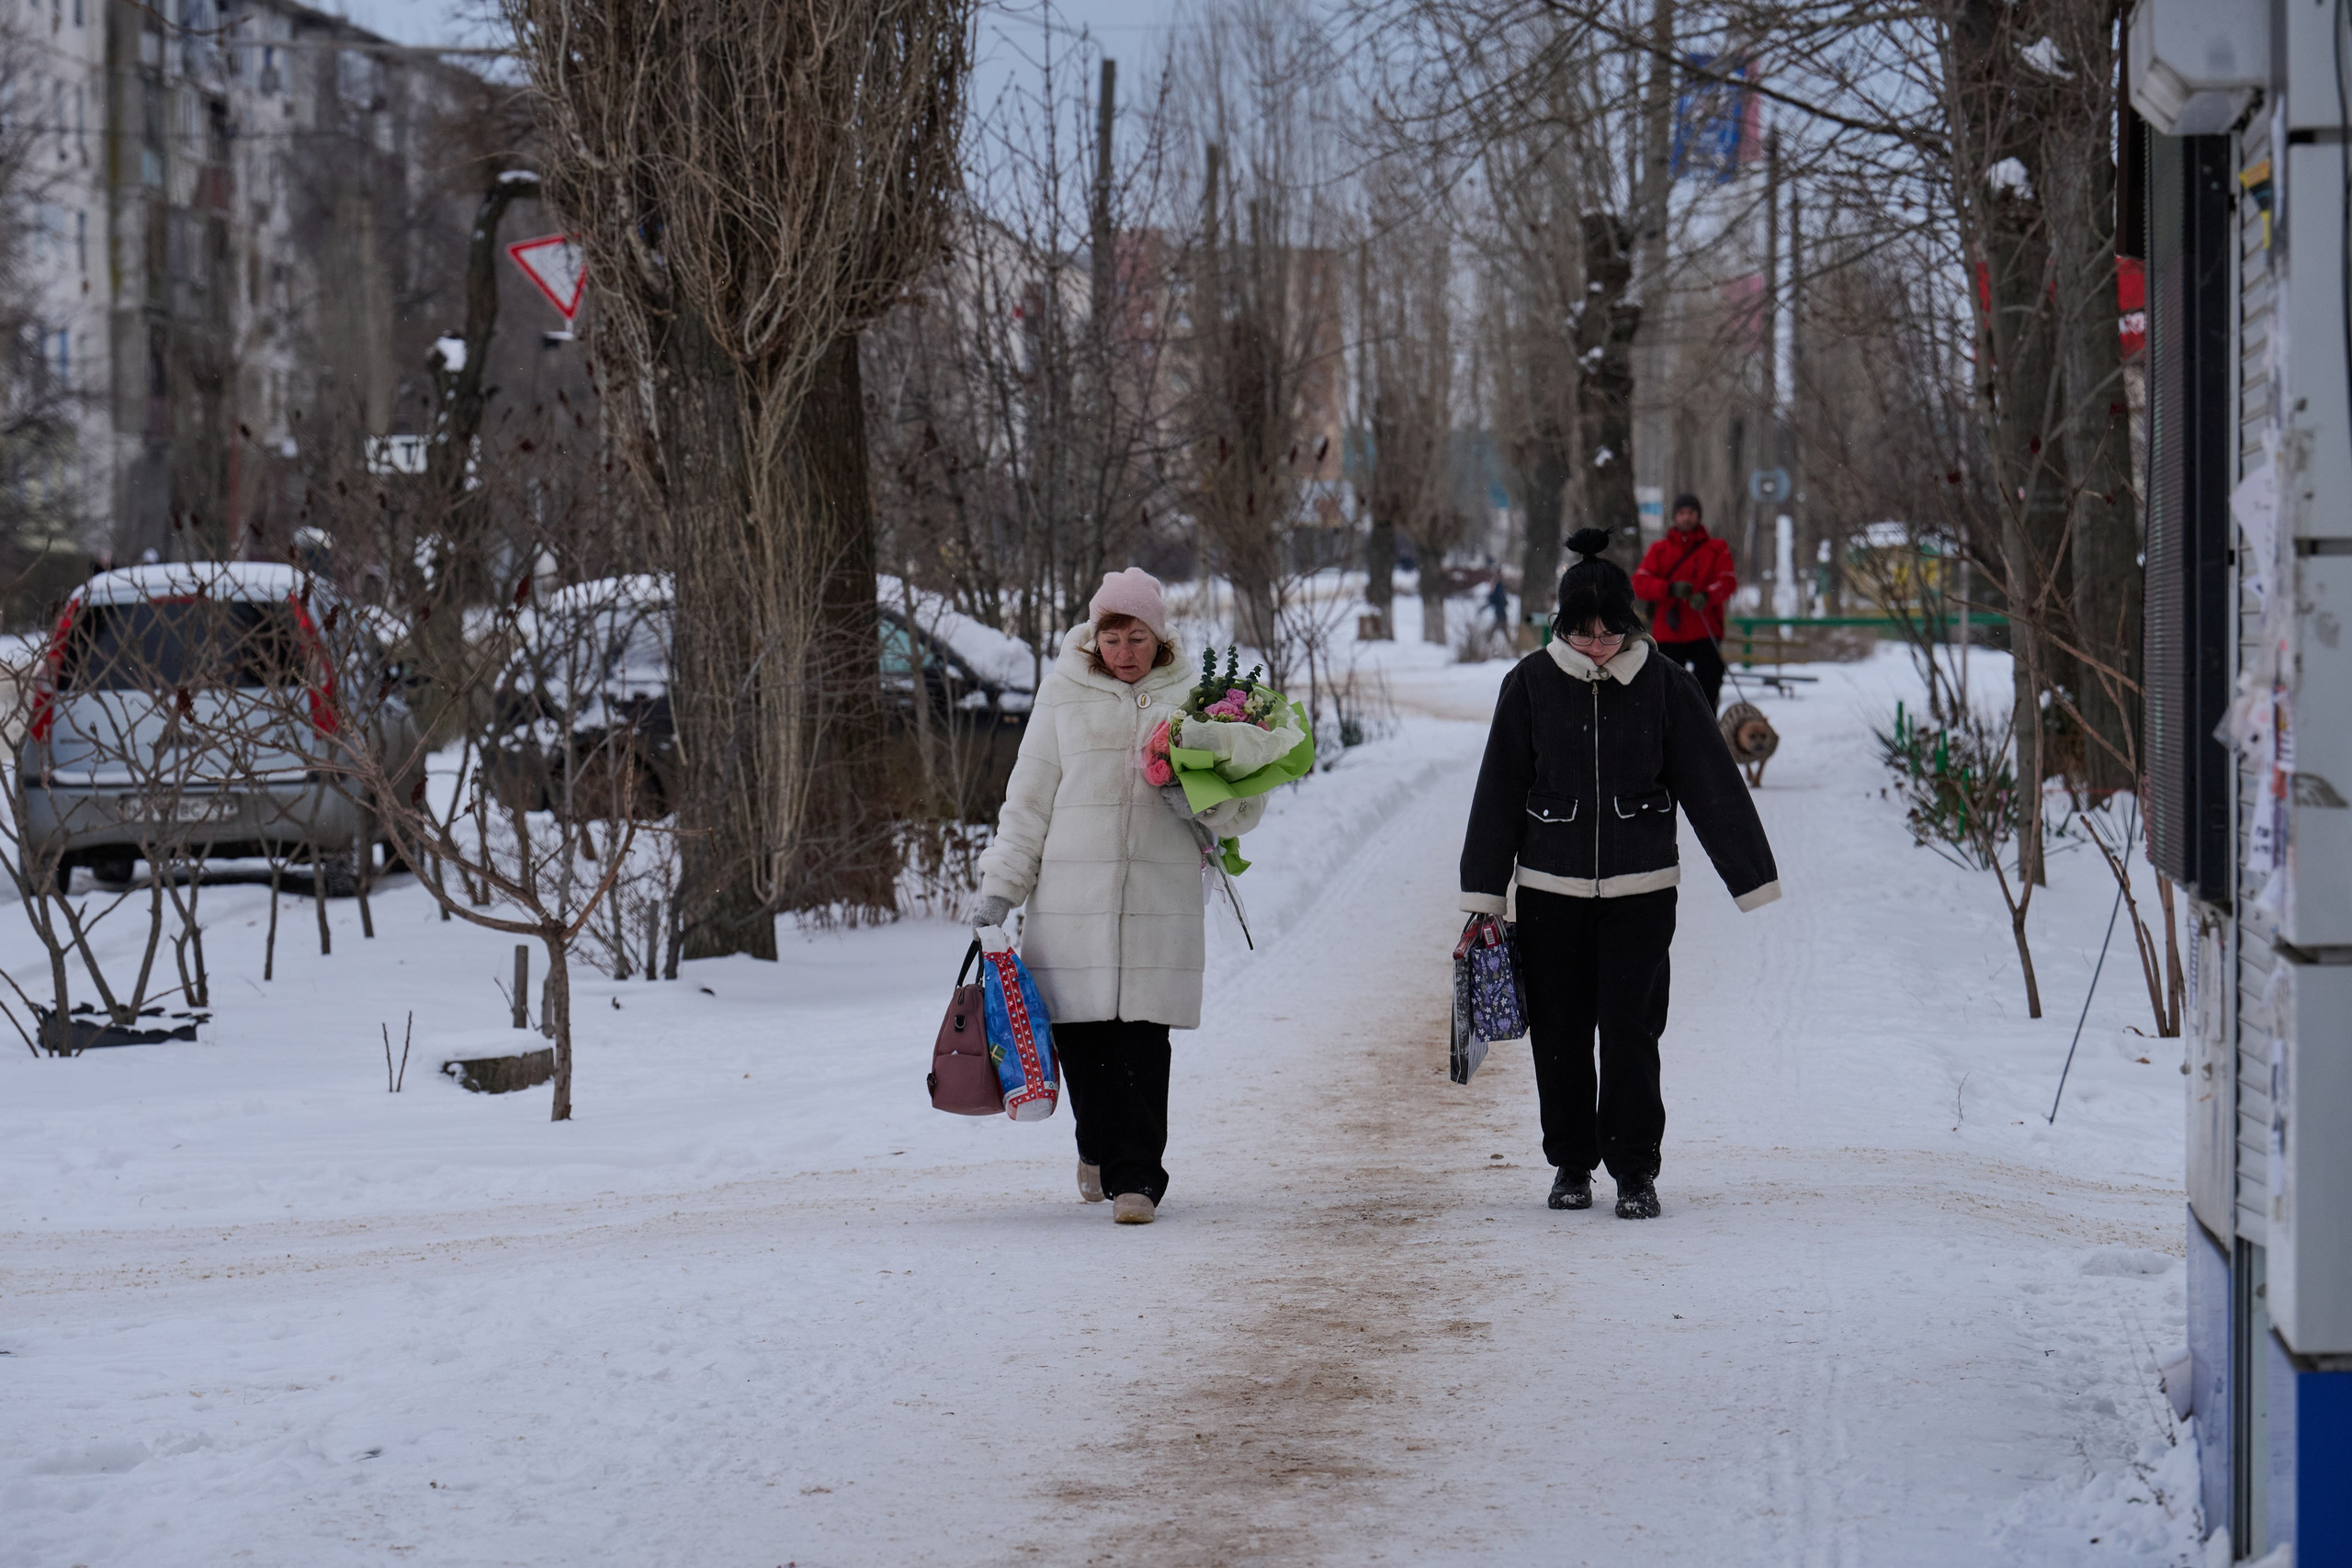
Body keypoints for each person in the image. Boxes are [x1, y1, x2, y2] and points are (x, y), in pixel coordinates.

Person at [1458, 528, 1780, 1219]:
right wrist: (1485, 891)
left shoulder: (1666, 685)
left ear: (1631, 625)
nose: (1597, 644)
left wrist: (1749, 874)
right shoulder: (1530, 685)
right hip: (1550, 891)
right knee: (1561, 1033)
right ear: (1562, 627)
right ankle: (1571, 1163)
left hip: (1641, 891)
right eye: (1582, 632)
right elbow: (1498, 791)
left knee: (1632, 1030)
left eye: (1609, 631)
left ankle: (1636, 1169)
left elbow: (1711, 781)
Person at [968, 568, 1265, 1225]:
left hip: (1158, 898)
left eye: (1136, 638)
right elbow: (1028, 799)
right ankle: (1096, 1147)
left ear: (1158, 641)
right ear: (1093, 638)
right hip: (1071, 899)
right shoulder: (1062, 693)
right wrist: (1000, 888)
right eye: (1112, 637)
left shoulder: (1196, 697)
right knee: (1081, 1041)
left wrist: (1199, 798)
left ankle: (1138, 1178)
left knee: (1142, 1043)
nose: (1123, 651)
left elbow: (1247, 803)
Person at [1633, 492, 1737, 711]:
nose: (1686, 518)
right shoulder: (1659, 550)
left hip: (1704, 628)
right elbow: (1640, 584)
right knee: (1666, 687)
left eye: (1690, 513)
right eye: (1681, 513)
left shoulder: (1716, 548)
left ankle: (1705, 729)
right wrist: (1668, 589)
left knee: (1708, 685)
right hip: (1669, 630)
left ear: (1698, 516)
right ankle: (1669, 733)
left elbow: (1727, 581)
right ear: (1674, 517)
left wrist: (1707, 595)